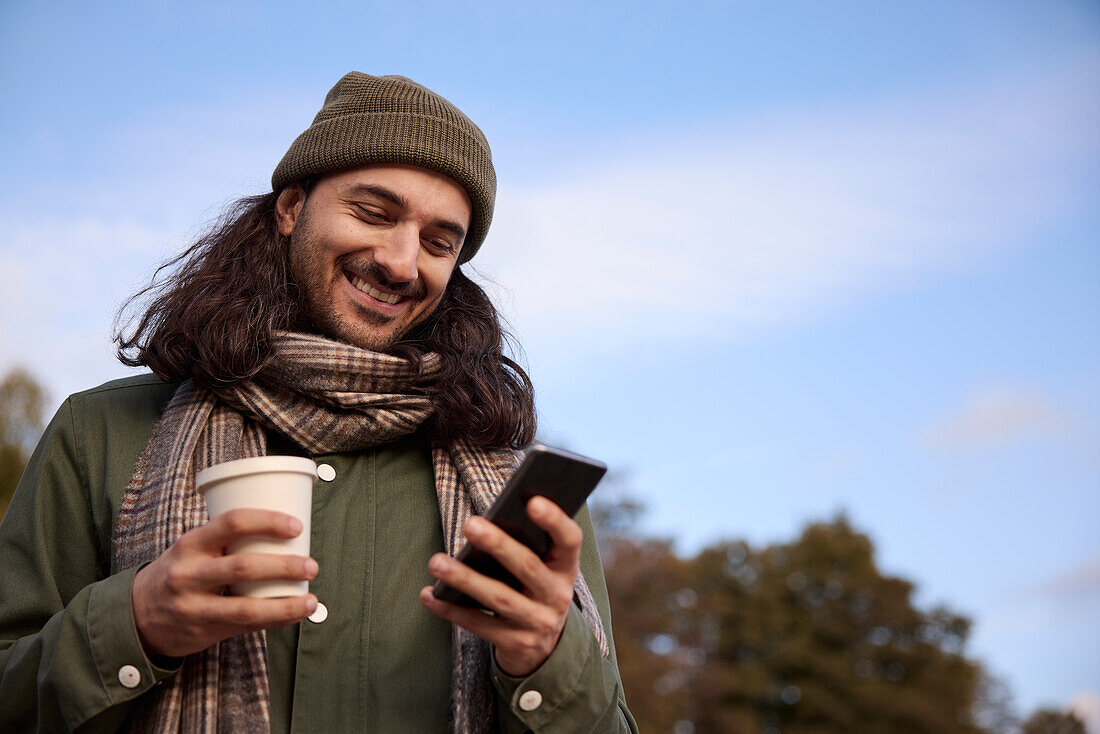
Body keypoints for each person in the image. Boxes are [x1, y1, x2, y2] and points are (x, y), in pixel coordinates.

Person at [0, 72, 638, 733]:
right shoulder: (102, 432)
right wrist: (131, 625)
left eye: (438, 241)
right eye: (373, 213)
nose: (401, 261)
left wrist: (547, 661)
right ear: (290, 207)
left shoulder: (520, 502)